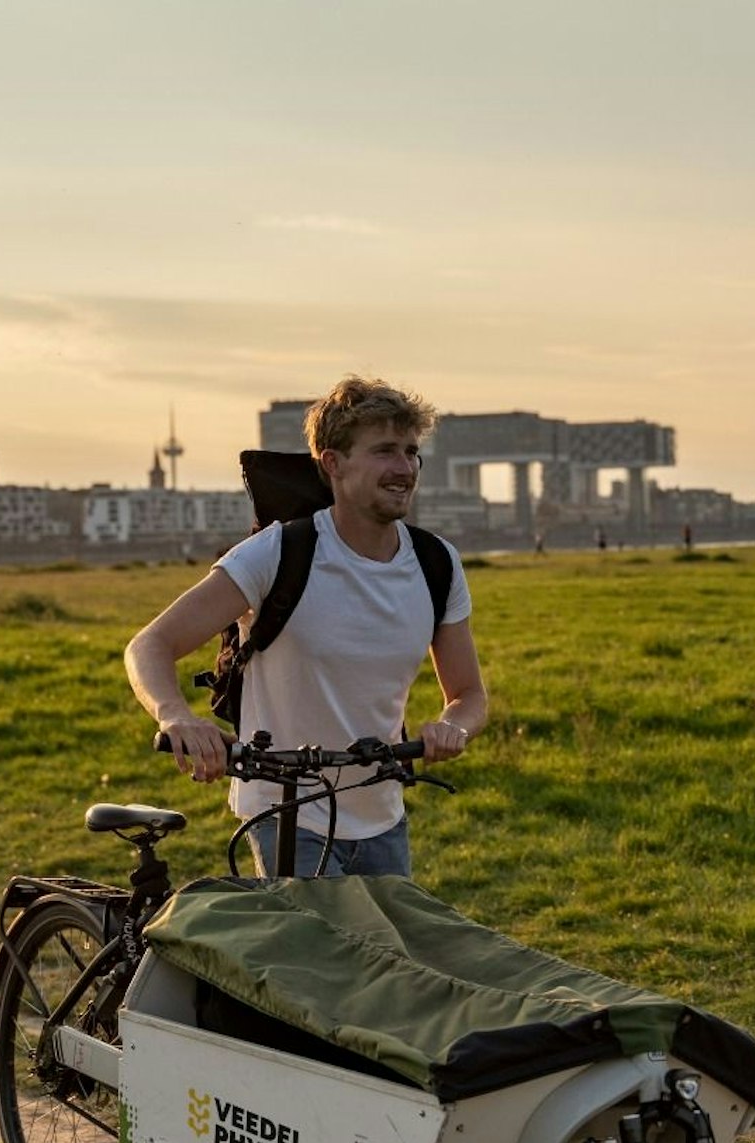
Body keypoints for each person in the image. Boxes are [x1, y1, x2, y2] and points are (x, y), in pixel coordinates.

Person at [126, 376, 488, 879]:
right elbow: (150, 645)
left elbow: (469, 694)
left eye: (411, 452)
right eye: (384, 451)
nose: (405, 468)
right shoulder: (277, 553)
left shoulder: (436, 562)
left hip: (382, 812)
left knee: (387, 935)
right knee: (314, 933)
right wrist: (175, 717)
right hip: (286, 812)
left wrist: (453, 726)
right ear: (333, 464)